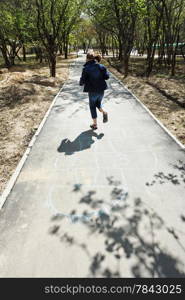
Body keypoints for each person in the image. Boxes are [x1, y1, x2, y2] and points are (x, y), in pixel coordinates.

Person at [79, 52, 109, 130]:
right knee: (98, 104)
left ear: (87, 59)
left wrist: (81, 83)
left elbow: (82, 81)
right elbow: (107, 77)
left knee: (92, 106)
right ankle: (104, 112)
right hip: (101, 90)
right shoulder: (101, 66)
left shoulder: (86, 68)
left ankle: (95, 124)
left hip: (92, 91)